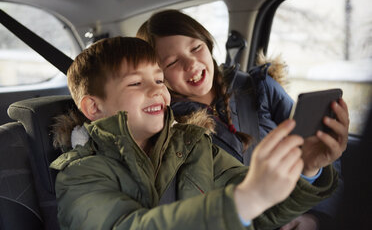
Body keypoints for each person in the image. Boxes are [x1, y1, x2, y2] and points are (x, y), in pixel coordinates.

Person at [50, 36, 342, 230]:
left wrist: (306, 168)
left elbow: (261, 209)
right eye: (136, 84)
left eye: (160, 80)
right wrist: (245, 199)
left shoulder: (194, 145)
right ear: (93, 107)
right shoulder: (80, 174)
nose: (157, 91)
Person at [136, 9, 350, 230]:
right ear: (157, 75)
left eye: (196, 48)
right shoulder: (168, 131)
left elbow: (318, 153)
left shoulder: (259, 87)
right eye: (172, 62)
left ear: (208, 44)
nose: (190, 64)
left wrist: (315, 216)